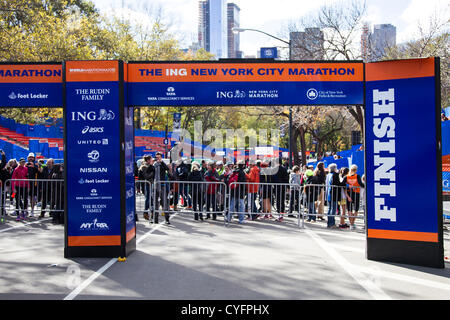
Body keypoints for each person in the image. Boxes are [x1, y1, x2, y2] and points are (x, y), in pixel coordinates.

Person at [153, 152, 171, 224]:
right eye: (157, 157)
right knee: (155, 203)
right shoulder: (154, 165)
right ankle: (155, 219)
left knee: (164, 202)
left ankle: (167, 219)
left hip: (162, 186)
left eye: (159, 157)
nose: (158, 159)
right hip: (155, 186)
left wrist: (162, 162)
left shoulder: (162, 165)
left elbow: (167, 169)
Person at [325, 163, 345, 229]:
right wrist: (343, 181)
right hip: (334, 194)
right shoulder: (335, 175)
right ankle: (331, 223)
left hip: (329, 194)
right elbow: (338, 183)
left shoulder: (328, 175)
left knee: (330, 209)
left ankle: (329, 223)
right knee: (333, 209)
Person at [346, 165, 365, 230]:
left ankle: (351, 224)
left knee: (349, 209)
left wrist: (349, 186)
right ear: (356, 170)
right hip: (356, 193)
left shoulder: (347, 176)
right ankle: (352, 223)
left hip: (348, 194)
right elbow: (361, 184)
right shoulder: (357, 176)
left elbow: (343, 184)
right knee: (356, 209)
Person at [138, 155, 154, 220]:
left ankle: (152, 212)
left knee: (151, 199)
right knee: (148, 199)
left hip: (149, 184)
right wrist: (152, 172)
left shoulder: (149, 166)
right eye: (151, 159)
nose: (152, 160)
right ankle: (145, 212)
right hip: (146, 185)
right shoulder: (144, 167)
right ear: (148, 160)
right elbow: (146, 176)